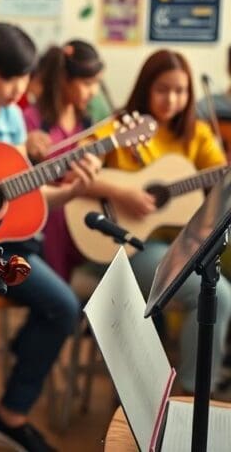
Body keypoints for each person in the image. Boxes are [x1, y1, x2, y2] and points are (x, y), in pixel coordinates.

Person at [0, 25, 99, 452]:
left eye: (25, 79)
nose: (19, 89)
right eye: (10, 78)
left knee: (62, 306)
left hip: (11, 243)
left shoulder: (9, 117)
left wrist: (74, 189)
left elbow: (20, 195)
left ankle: (11, 415)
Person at [83, 50, 231, 394]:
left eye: (180, 91)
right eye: (163, 89)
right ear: (145, 88)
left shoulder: (196, 134)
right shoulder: (120, 129)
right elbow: (74, 176)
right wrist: (120, 193)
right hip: (124, 244)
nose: (172, 99)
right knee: (218, 298)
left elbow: (221, 180)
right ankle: (196, 395)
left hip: (178, 243)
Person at [22, 40, 105, 279]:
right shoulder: (31, 120)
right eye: (88, 83)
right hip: (46, 217)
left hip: (80, 213)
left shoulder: (87, 122)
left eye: (97, 83)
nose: (95, 92)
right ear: (63, 80)